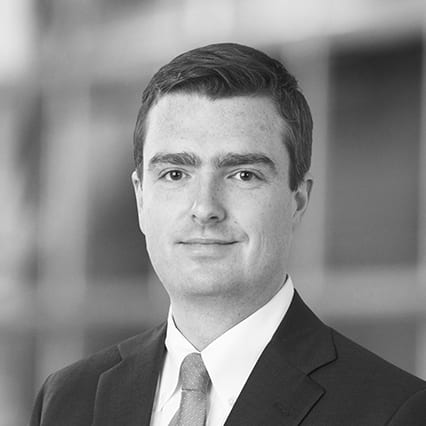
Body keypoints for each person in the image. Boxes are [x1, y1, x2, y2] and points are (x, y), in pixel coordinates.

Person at [30, 43, 426, 426]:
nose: (205, 208)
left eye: (243, 175)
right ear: (141, 198)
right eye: (175, 174)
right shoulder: (66, 400)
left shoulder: (395, 412)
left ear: (298, 201)